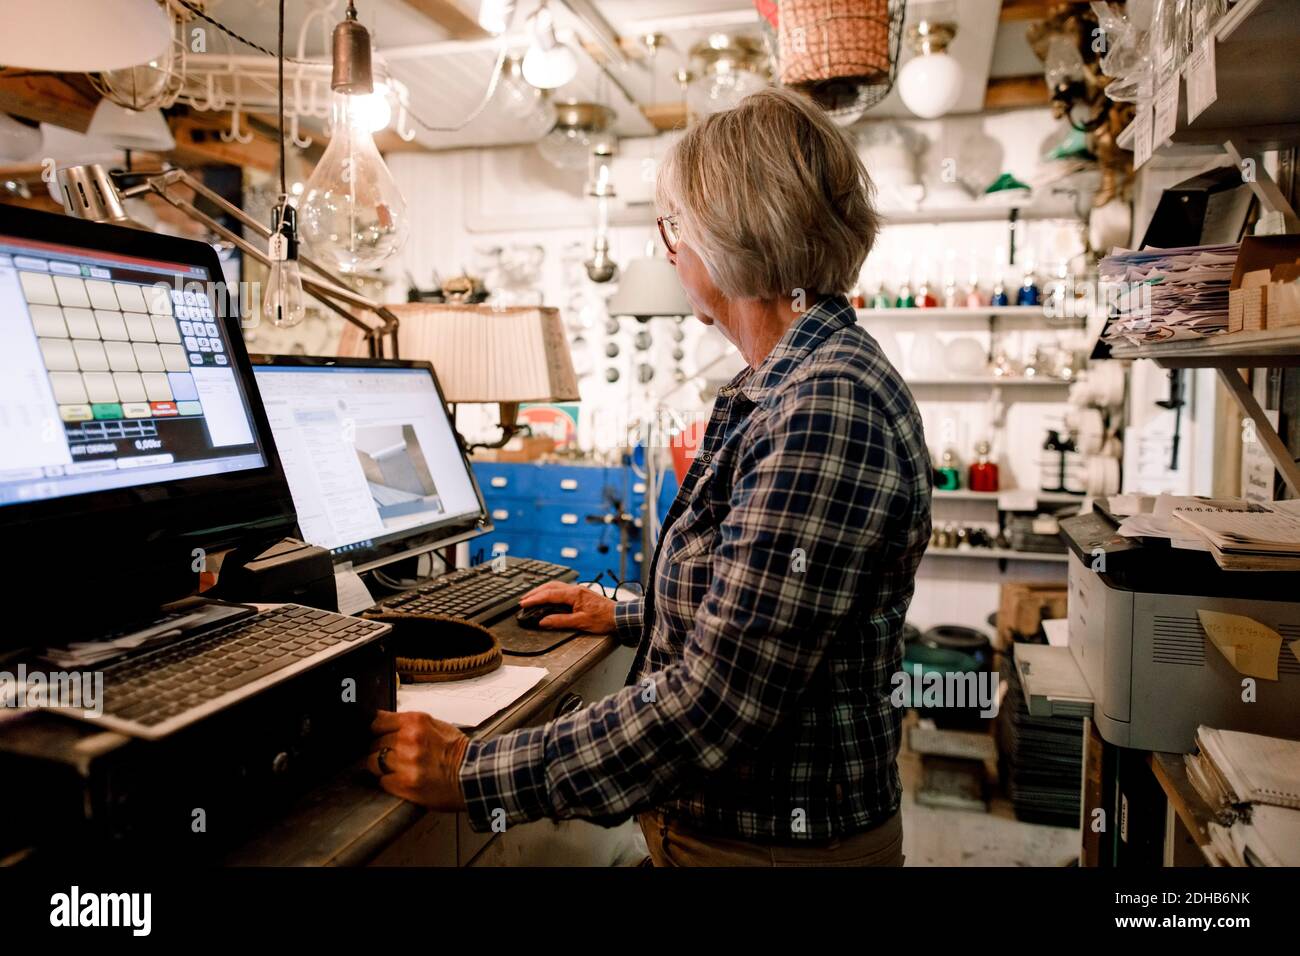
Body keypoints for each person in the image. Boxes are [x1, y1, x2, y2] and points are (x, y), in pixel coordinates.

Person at [368, 86, 932, 866]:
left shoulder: (821, 404)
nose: (668, 251)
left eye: (675, 227)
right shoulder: (782, 381)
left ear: (737, 237)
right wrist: (631, 615)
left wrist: (473, 771)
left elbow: (719, 703)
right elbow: (768, 618)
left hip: (770, 846)